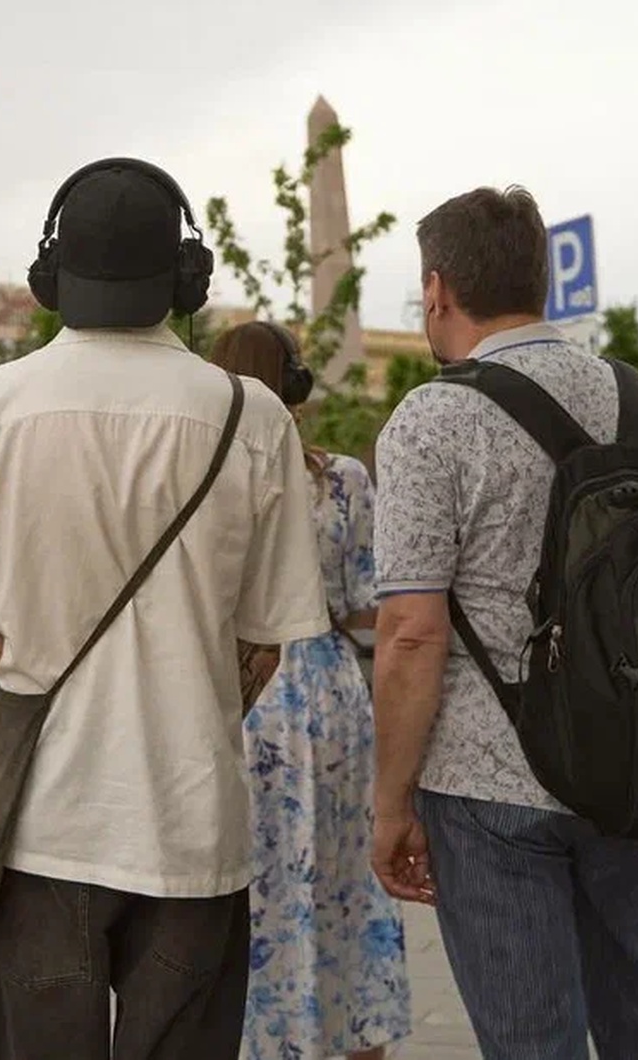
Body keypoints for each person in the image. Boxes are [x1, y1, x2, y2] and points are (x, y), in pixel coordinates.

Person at [0, 157, 330, 1060]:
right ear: (187, 277)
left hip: (43, 829)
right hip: (193, 825)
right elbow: (265, 643)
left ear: (50, 274)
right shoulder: (251, 416)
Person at [369, 187, 638, 1060]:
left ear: (436, 289)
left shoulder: (430, 420)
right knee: (636, 1011)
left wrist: (389, 803)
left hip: (489, 779)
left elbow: (411, 633)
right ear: (538, 279)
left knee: (530, 1038)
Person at [208, 322, 411, 1060]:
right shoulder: (341, 479)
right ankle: (351, 1037)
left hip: (231, 692)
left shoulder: (198, 478)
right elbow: (367, 600)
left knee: (246, 895)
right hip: (324, 692)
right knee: (343, 885)